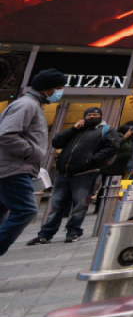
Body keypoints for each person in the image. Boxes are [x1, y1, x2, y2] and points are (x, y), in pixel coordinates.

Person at [28, 105, 118, 245]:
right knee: (56, 205)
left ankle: (73, 232)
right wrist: (73, 129)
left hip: (85, 174)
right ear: (84, 117)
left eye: (95, 115)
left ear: (101, 116)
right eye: (89, 115)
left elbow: (112, 148)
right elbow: (56, 142)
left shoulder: (107, 131)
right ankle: (45, 235)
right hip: (64, 173)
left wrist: (91, 161)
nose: (92, 117)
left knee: (80, 205)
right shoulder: (77, 130)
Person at [0, 68, 66, 256]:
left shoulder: (31, 105)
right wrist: (32, 153)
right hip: (13, 168)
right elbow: (5, 135)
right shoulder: (27, 105)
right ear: (47, 88)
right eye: (58, 88)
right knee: (26, 210)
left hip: (12, 166)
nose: (60, 92)